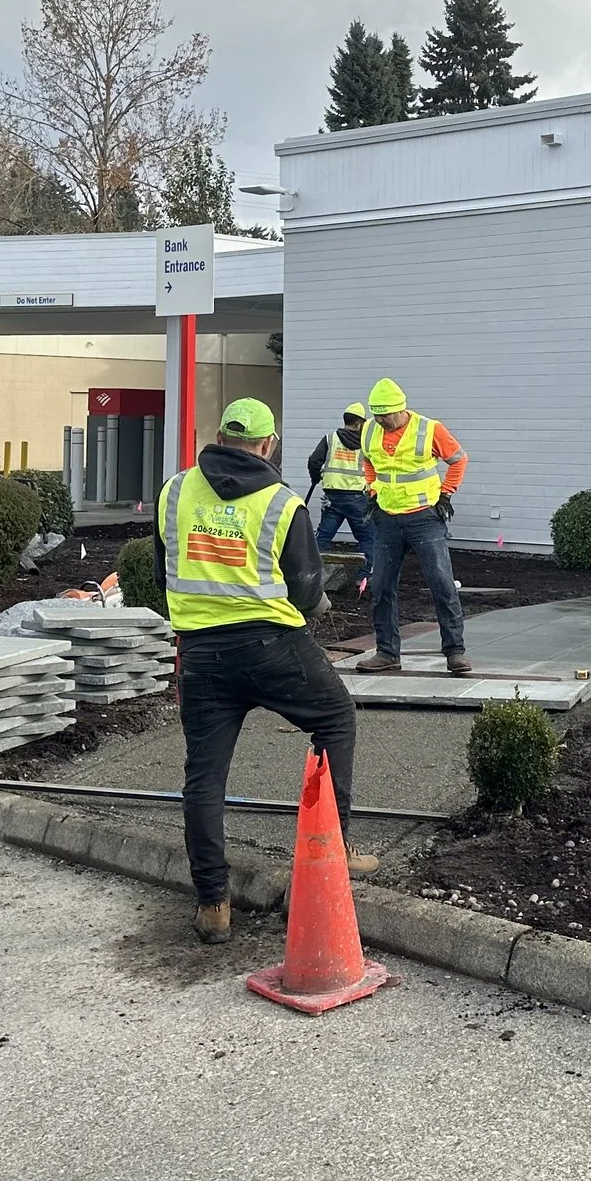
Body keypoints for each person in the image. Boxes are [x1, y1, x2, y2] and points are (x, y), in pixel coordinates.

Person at [160, 397, 374, 945]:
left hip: (201, 653)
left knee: (204, 777)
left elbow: (170, 552)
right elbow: (306, 588)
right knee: (335, 718)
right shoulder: (281, 503)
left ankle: (213, 903)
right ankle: (332, 859)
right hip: (271, 644)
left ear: (220, 436)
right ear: (267, 444)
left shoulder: (176, 491)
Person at [355, 377, 472, 677]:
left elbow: (458, 459)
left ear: (401, 409)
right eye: (376, 415)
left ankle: (455, 652)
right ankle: (387, 652)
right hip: (386, 518)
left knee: (441, 583)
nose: (380, 421)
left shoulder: (429, 429)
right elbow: (367, 462)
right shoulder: (369, 429)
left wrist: (446, 495)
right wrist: (371, 490)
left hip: (424, 519)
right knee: (380, 586)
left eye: (385, 415)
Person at [305, 403, 374, 555]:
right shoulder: (365, 443)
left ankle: (315, 573)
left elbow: (314, 461)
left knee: (323, 537)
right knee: (367, 537)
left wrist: (316, 477)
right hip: (357, 498)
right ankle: (364, 575)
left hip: (332, 498)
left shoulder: (330, 439)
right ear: (359, 423)